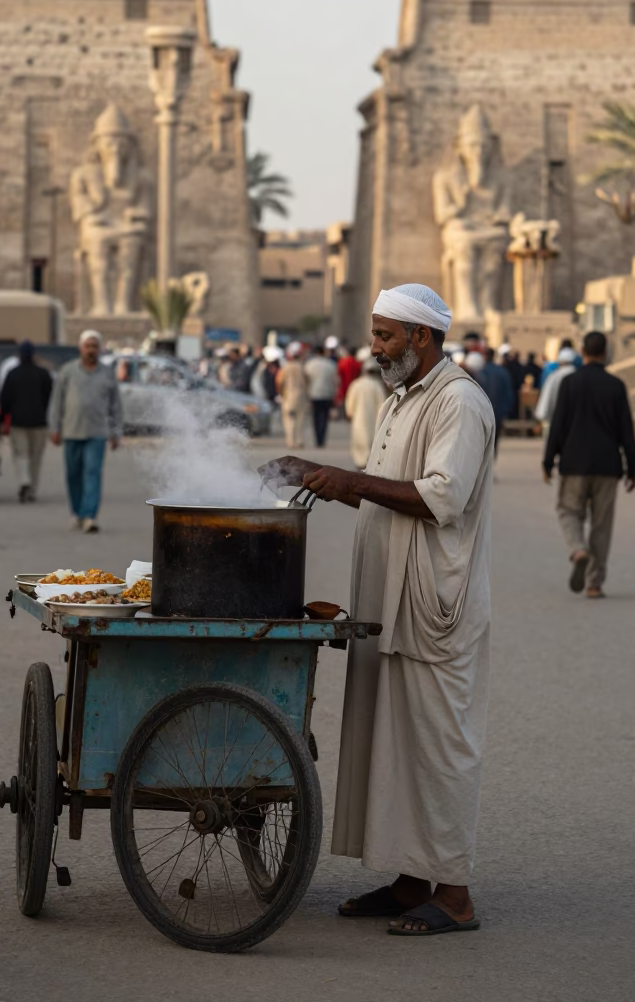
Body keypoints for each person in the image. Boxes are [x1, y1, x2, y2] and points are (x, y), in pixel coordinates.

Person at [261, 283, 494, 937]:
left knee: (440, 746)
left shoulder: (459, 403)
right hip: (387, 601)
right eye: (376, 332)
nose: (376, 345)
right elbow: (387, 490)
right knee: (393, 741)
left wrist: (350, 480)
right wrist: (322, 477)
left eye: (386, 335)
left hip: (432, 605)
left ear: (422, 337)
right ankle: (411, 879)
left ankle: (454, 895)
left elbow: (439, 497)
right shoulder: (402, 399)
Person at [543, 330, 635, 598]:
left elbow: (558, 425)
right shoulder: (616, 386)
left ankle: (577, 548)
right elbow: (626, 432)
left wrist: (548, 460)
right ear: (606, 353)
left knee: (567, 510)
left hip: (574, 462)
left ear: (582, 353)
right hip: (608, 465)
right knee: (601, 524)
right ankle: (594, 583)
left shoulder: (569, 383)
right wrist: (632, 469)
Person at [49, 329, 122, 533]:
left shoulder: (107, 373)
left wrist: (116, 433)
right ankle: (77, 513)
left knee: (92, 473)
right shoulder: (67, 371)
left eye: (95, 346)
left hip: (97, 433)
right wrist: (55, 428)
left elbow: (115, 406)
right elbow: (57, 402)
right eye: (87, 346)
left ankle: (90, 516)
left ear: (100, 349)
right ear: (81, 348)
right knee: (73, 475)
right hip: (71, 431)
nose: (91, 350)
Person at [0, 341, 53, 502]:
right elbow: (50, 397)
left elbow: (5, 399)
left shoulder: (12, 373)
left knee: (21, 454)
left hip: (18, 421)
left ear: (19, 356)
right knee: (36, 457)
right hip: (40, 422)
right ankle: (33, 491)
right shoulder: (44, 374)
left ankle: (24, 481)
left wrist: (2, 420)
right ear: (34, 355)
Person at [345, 356, 387, 469]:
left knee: (358, 439)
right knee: (371, 440)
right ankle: (368, 461)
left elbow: (350, 400)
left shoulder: (356, 384)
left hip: (358, 417)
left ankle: (360, 462)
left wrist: (349, 413)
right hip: (373, 418)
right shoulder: (377, 385)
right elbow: (382, 403)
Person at [476, 347, 515, 453]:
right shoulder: (502, 372)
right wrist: (506, 409)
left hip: (481, 411)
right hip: (498, 411)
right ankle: (491, 460)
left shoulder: (480, 372)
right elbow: (508, 392)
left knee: (480, 439)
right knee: (494, 439)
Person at [534, 346, 577, 431]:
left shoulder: (554, 377)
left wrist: (540, 419)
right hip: (575, 425)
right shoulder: (579, 377)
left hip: (555, 422)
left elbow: (545, 400)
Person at [304, 345, 339, 447]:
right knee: (324, 417)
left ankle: (317, 439)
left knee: (315, 417)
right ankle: (322, 439)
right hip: (327, 394)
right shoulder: (331, 365)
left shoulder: (309, 365)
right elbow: (335, 381)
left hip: (313, 394)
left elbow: (306, 380)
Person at [277, 343, 308, 450]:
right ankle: (299, 440)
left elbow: (279, 382)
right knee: (300, 419)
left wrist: (281, 393)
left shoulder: (285, 368)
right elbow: (308, 381)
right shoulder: (302, 367)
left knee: (289, 420)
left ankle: (290, 441)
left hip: (288, 397)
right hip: (301, 397)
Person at [337, 346, 362, 412]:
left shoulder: (342, 362)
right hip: (354, 386)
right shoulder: (358, 363)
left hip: (344, 385)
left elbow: (339, 374)